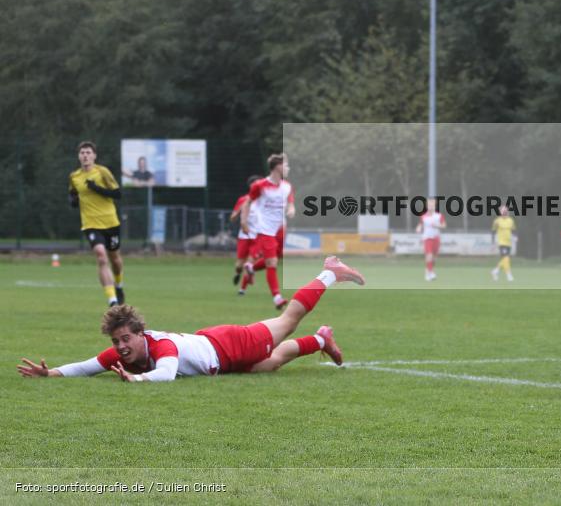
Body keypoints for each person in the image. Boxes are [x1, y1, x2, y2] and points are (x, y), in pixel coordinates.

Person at [17, 257, 365, 381]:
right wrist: (51, 373)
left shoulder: (161, 347)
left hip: (229, 345)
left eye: (126, 339)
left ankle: (330, 273)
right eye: (116, 341)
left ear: (140, 334)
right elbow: (87, 366)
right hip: (218, 353)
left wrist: (136, 381)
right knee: (270, 365)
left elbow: (167, 375)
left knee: (288, 320)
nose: (120, 347)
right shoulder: (125, 353)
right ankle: (321, 340)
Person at [68, 141, 126, 307]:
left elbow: (118, 193)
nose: (85, 155)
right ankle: (112, 299)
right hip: (90, 223)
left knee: (115, 259)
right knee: (101, 256)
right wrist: (73, 200)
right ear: (79, 156)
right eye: (82, 153)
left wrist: (95, 188)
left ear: (94, 156)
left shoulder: (103, 172)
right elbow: (72, 195)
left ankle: (119, 285)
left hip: (110, 222)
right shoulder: (74, 176)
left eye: (88, 152)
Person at [240, 154, 295, 309]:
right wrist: (244, 221)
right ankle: (277, 298)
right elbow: (247, 203)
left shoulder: (287, 186)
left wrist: (291, 209)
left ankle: (251, 267)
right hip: (265, 229)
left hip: (281, 228)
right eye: (286, 165)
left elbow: (290, 203)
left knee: (277, 258)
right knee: (272, 262)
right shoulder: (260, 185)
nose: (288, 168)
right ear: (277, 167)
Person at [230, 175, 262, 294]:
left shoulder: (264, 200)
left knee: (249, 263)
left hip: (258, 236)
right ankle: (238, 273)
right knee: (239, 265)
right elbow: (232, 217)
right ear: (251, 186)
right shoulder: (244, 200)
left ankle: (242, 289)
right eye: (256, 185)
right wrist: (237, 213)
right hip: (244, 236)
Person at [416, 198, 445, 281]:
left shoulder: (439, 216)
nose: (430, 207)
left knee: (434, 258)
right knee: (429, 255)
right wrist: (418, 228)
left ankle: (428, 271)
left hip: (436, 238)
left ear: (435, 206)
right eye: (429, 205)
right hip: (427, 238)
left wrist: (437, 225)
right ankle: (431, 272)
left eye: (432, 205)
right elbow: (420, 224)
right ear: (427, 206)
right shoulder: (423, 216)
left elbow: (443, 225)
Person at [491, 205, 517, 281]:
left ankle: (495, 271)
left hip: (509, 242)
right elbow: (493, 231)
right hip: (501, 242)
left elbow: (514, 230)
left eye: (506, 211)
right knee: (506, 258)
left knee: (506, 259)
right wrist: (493, 242)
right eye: (503, 211)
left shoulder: (511, 220)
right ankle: (509, 275)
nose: (505, 212)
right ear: (500, 212)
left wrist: (515, 237)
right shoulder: (497, 221)